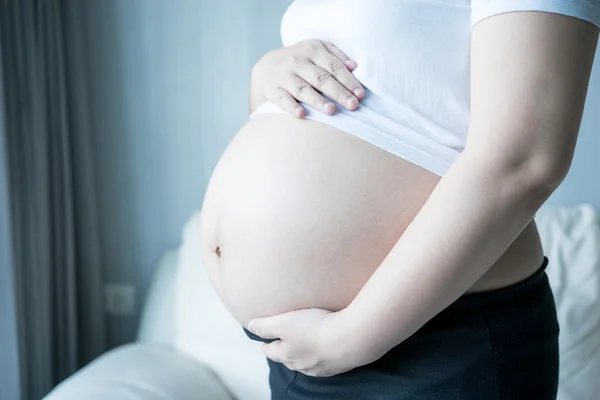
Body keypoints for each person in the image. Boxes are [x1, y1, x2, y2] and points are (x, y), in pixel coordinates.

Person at [199, 1, 600, 398]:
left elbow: (527, 161)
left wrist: (350, 337)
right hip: (306, 356)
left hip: (436, 343)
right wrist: (269, 76)